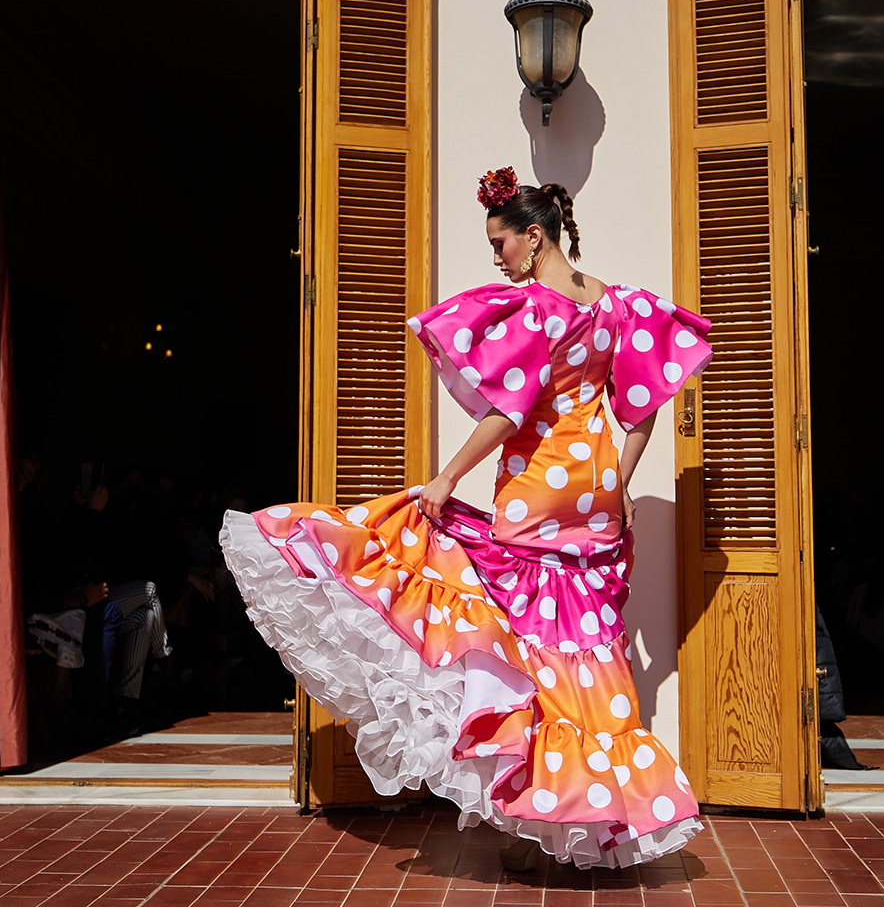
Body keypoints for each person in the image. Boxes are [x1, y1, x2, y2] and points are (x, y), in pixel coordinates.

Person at [219, 167, 713, 870]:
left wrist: (447, 477)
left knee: (524, 650)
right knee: (587, 659)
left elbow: (506, 411)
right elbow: (643, 407)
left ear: (533, 237)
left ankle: (545, 814)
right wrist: (621, 483)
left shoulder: (540, 310)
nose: (496, 258)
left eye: (499, 244)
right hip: (595, 503)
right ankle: (585, 816)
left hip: (537, 492)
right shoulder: (618, 305)